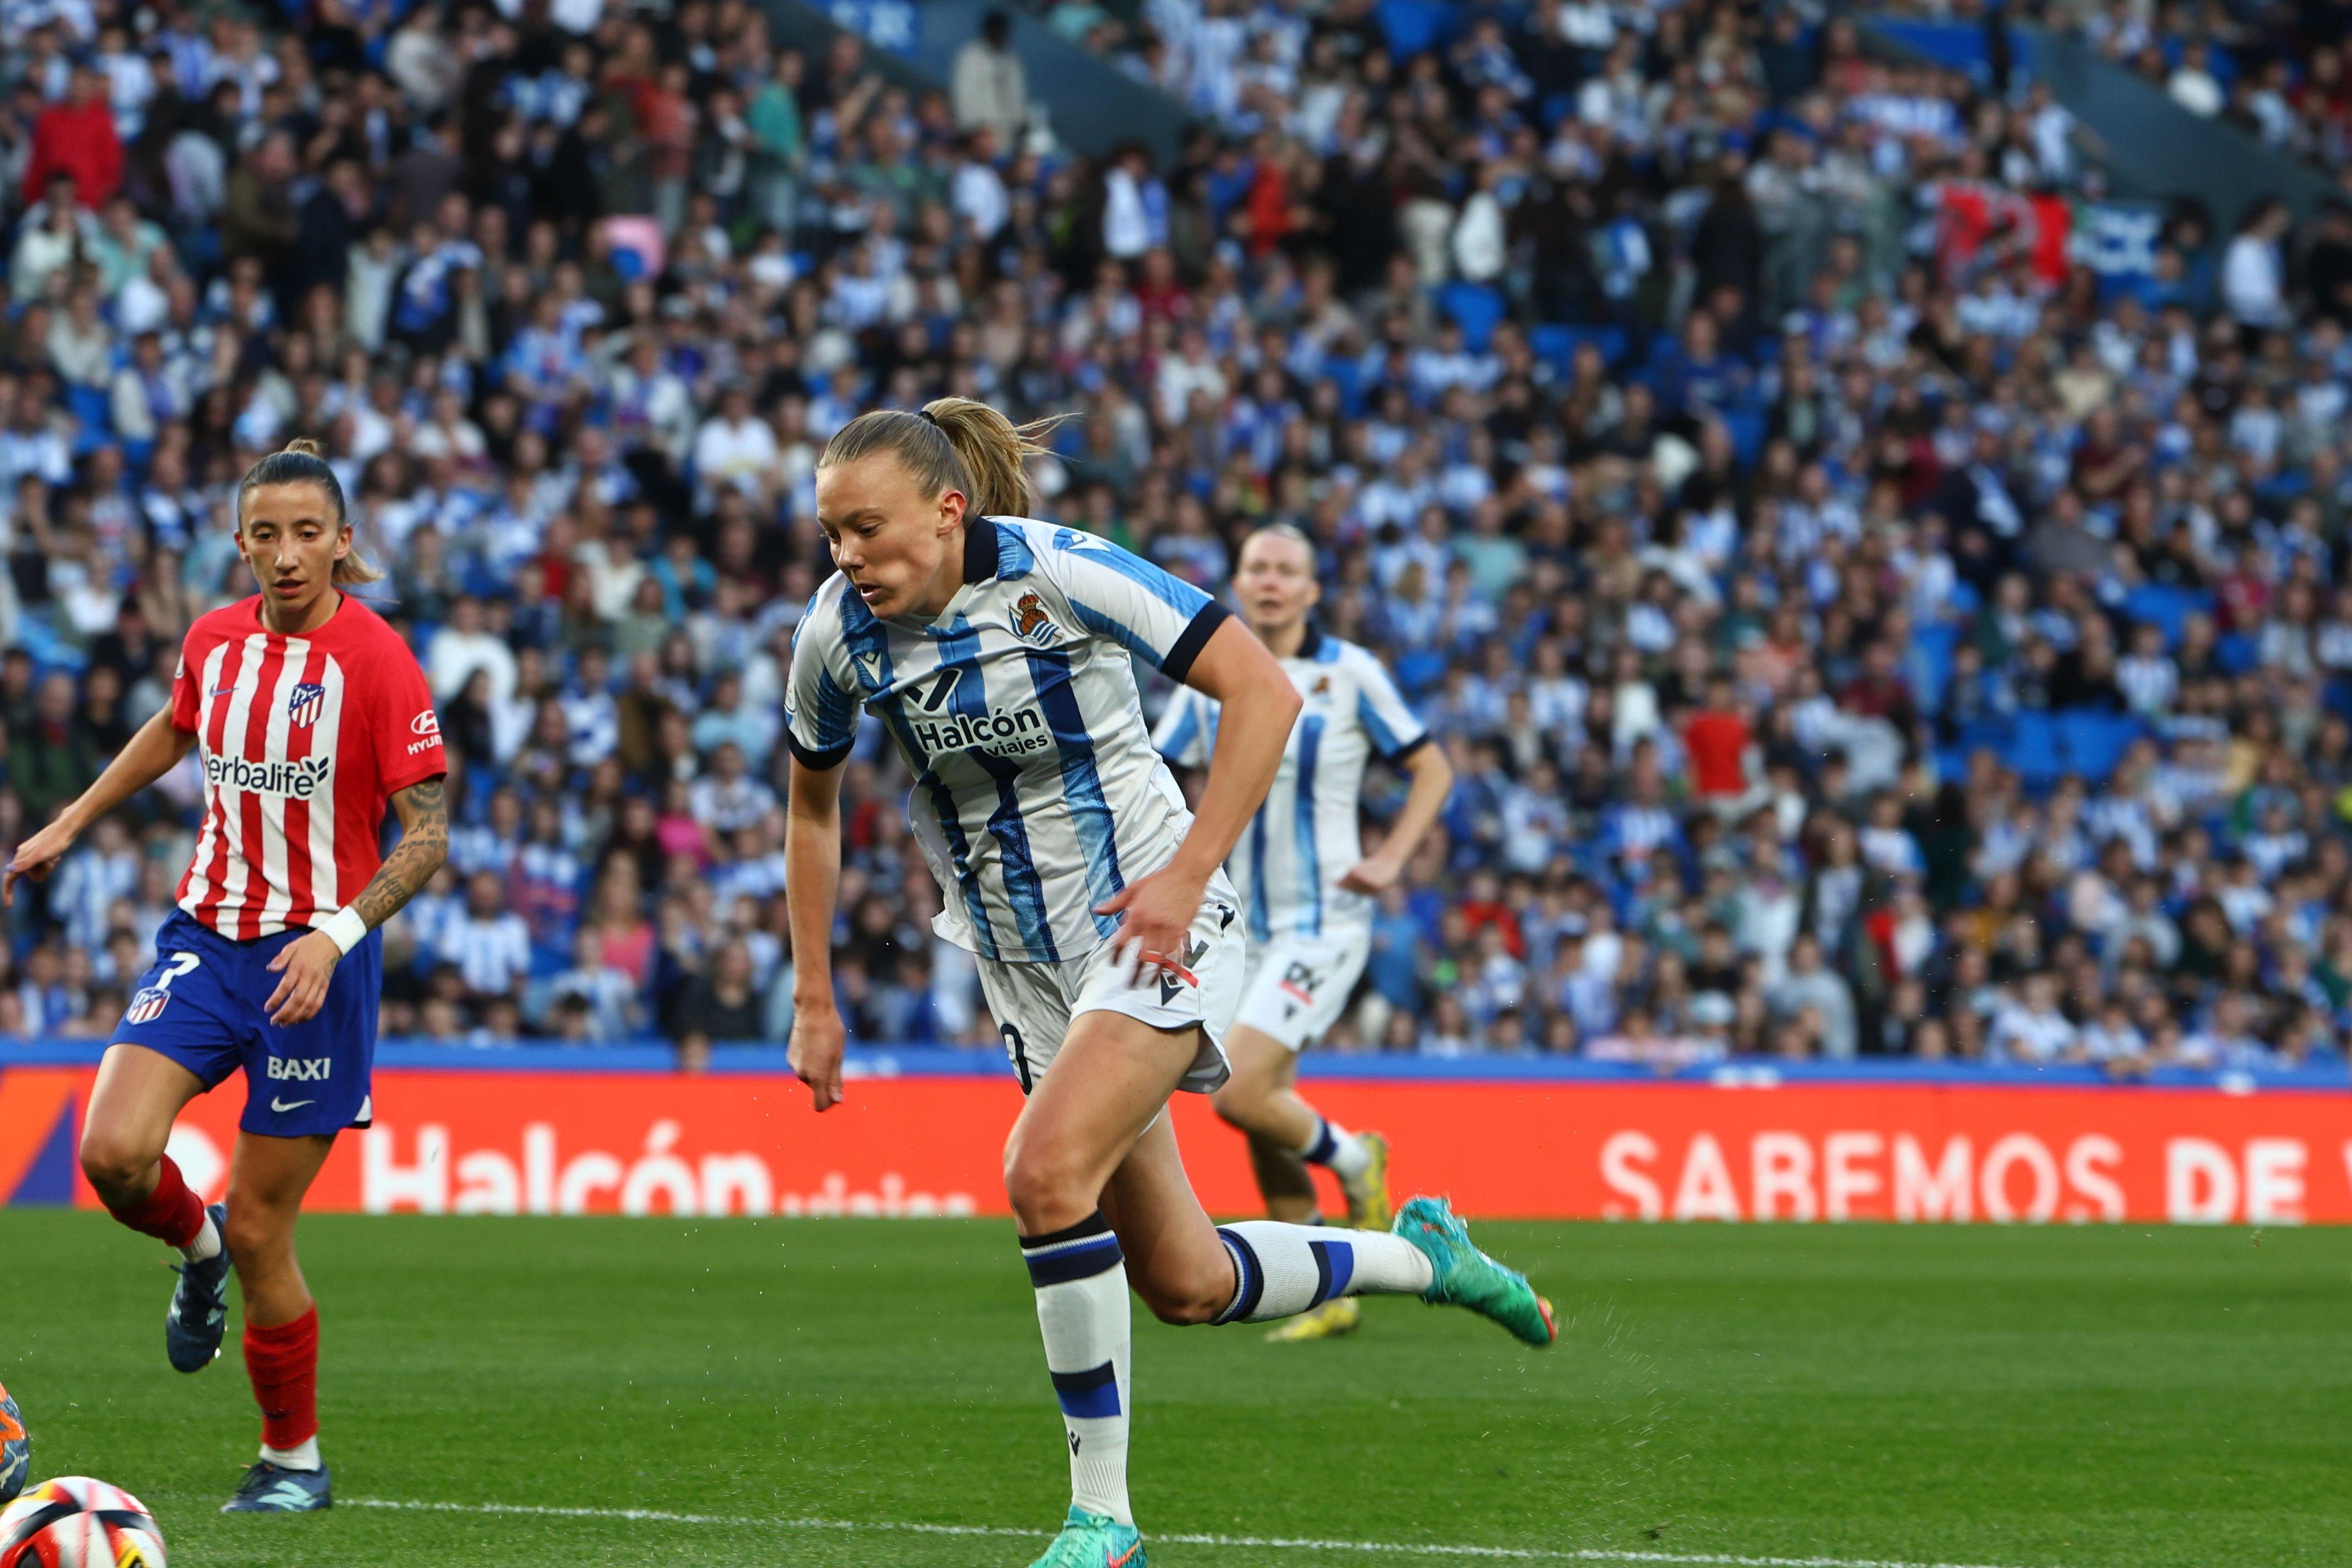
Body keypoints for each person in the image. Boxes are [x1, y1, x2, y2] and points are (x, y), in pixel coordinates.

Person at [783, 400, 1553, 1568]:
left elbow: (1265, 692)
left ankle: (1104, 1521)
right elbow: (812, 806)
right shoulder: (838, 634)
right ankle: (1423, 1257)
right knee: (1186, 1284)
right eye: (832, 533)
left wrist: (1188, 876)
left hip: (1155, 928)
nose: (847, 557)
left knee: (1043, 1175)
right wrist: (814, 997)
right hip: (1026, 971)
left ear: (948, 514)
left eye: (867, 530)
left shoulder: (1065, 575)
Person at [3, 440, 449, 1515]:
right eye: (266, 534)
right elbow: (175, 725)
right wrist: (69, 821)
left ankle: (293, 1462)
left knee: (264, 1229)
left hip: (316, 966)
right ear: (239, 541)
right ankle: (191, 1254)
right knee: (113, 1154)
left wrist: (335, 935)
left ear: (345, 543)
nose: (287, 556)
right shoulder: (215, 641)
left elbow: (427, 835)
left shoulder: (379, 662)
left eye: (308, 534)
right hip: (207, 940)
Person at [1153, 524, 1455, 1342]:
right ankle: (1328, 1292)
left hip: (1323, 925)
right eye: (1259, 568)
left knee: (1243, 1089)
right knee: (1248, 1102)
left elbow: (1433, 767)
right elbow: (1153, 768)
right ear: (1239, 581)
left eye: (1289, 570)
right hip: (1236, 925)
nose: (1273, 582)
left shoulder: (1351, 675)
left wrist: (1392, 856)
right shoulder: (1212, 671)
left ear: (1313, 590)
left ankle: (1360, 1163)